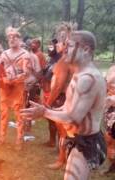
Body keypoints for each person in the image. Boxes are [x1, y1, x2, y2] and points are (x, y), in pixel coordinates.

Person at [21, 30, 107, 180]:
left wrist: (44, 112)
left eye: (70, 45)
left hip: (87, 142)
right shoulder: (79, 74)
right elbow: (66, 107)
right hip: (77, 140)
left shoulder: (88, 78)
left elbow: (73, 117)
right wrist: (47, 109)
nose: (65, 49)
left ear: (86, 49)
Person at [0, 27, 31, 150]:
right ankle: (2, 138)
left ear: (19, 39)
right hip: (4, 88)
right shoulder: (4, 54)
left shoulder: (25, 55)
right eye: (10, 37)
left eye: (15, 37)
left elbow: (27, 73)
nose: (12, 39)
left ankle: (19, 140)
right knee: (3, 112)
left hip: (17, 88)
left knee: (18, 113)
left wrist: (14, 79)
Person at [45, 23, 75, 170]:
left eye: (59, 42)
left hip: (61, 99)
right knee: (66, 131)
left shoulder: (64, 61)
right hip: (65, 98)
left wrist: (48, 103)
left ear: (66, 43)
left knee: (63, 131)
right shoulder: (68, 60)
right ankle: (65, 158)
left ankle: (61, 159)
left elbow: (58, 85)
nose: (56, 44)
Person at [103, 65, 115, 174]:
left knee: (113, 140)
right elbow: (106, 84)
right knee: (108, 138)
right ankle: (111, 164)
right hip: (110, 108)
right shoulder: (112, 68)